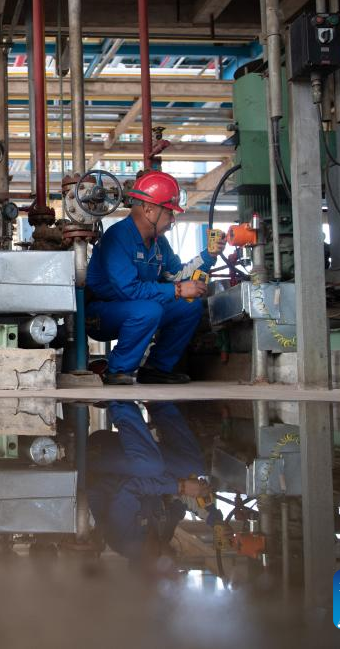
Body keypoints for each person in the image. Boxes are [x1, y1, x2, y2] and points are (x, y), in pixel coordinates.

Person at [82, 171, 225, 385]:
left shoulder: (159, 243)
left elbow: (177, 275)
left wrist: (209, 255)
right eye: (169, 212)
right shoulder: (118, 237)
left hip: (138, 309)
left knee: (189, 306)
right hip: (100, 315)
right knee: (149, 310)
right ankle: (117, 369)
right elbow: (129, 290)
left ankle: (157, 368)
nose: (172, 219)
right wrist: (177, 290)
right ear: (148, 209)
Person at [86, 401, 209, 567]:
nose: (176, 563)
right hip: (134, 465)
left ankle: (120, 401)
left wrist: (180, 486)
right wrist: (210, 513)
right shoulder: (163, 536)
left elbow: (130, 487)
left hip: (100, 456)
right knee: (193, 468)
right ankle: (159, 402)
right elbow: (180, 506)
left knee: (150, 465)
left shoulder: (124, 539)